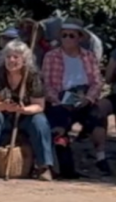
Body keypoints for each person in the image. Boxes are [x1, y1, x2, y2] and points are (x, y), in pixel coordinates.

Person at [0, 40, 54, 180]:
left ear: (24, 60)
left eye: (16, 57)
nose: (11, 60)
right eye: (8, 57)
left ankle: (44, 167)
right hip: (3, 116)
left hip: (25, 116)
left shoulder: (32, 76)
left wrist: (24, 109)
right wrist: (4, 107)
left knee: (40, 121)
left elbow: (39, 105)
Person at [41, 20, 105, 177]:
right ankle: (65, 166)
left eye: (71, 35)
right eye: (64, 35)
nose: (67, 38)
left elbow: (97, 81)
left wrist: (89, 98)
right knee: (59, 124)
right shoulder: (51, 56)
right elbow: (47, 84)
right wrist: (57, 101)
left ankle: (101, 158)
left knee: (97, 117)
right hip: (62, 96)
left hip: (84, 95)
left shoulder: (89, 56)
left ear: (79, 38)